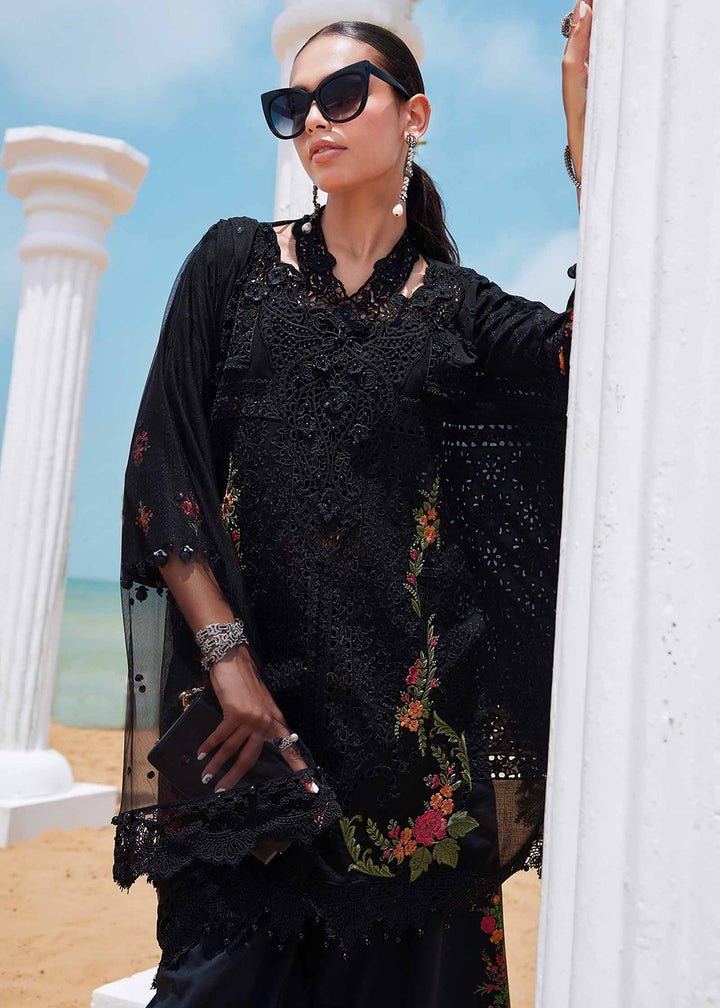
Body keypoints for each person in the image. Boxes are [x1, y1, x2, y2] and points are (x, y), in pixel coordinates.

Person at [111, 9, 591, 1006]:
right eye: (292, 106)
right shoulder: (234, 264)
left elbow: (586, 361)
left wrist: (588, 157)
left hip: (410, 772)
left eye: (341, 94)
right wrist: (229, 662)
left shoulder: (459, 308)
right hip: (244, 739)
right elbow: (166, 467)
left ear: (415, 116)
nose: (315, 120)